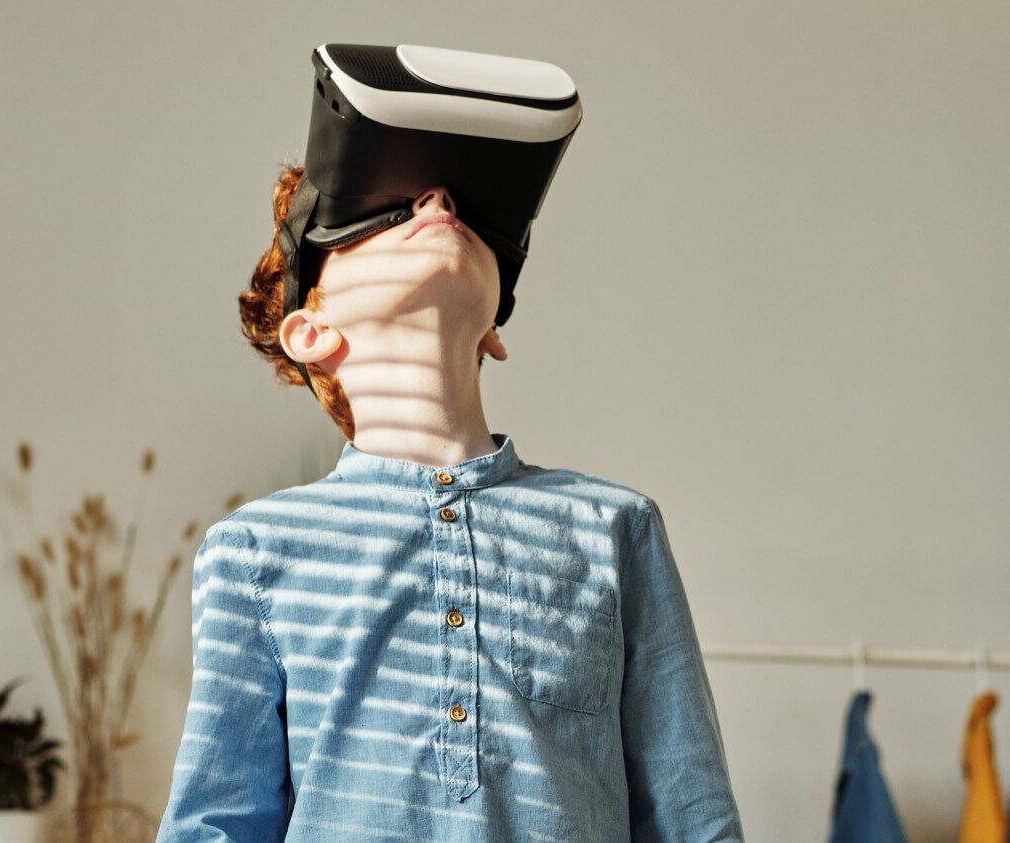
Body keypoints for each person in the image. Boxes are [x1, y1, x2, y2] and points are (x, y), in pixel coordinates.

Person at [155, 159, 743, 840]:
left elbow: (693, 818)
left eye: (453, 201)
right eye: (389, 209)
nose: (437, 198)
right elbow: (212, 825)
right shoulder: (253, 553)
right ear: (310, 332)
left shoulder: (615, 527)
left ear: (494, 329)